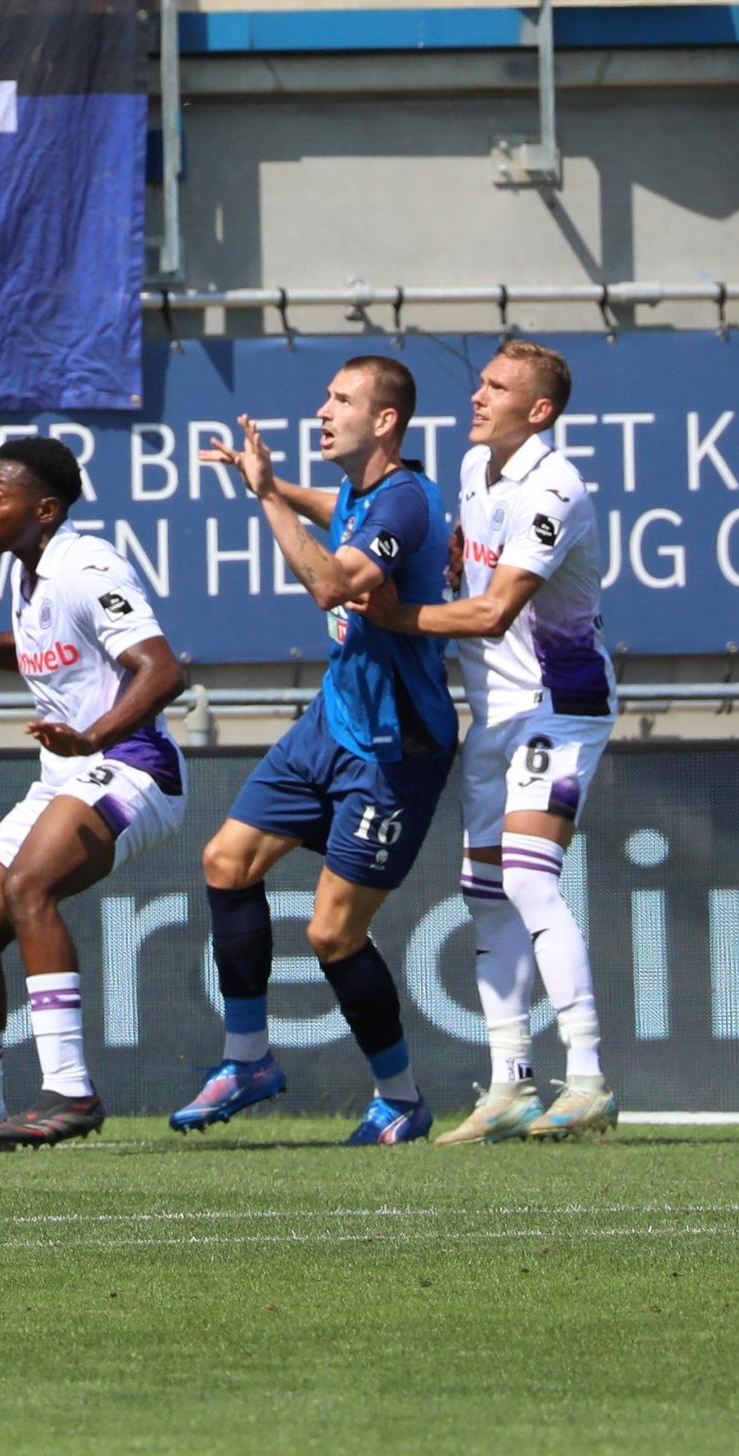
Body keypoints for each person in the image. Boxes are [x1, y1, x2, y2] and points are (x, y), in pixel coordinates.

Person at [167, 356, 456, 1148]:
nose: (322, 410)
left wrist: (266, 495)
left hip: (397, 745)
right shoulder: (366, 494)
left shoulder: (407, 498)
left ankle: (399, 1098)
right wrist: (270, 478)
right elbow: (336, 511)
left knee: (332, 935)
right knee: (227, 862)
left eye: (341, 400)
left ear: (386, 420)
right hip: (329, 724)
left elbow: (331, 583)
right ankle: (249, 1058)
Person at [0, 435, 187, 1156]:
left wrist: (92, 739)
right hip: (70, 772)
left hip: (133, 763)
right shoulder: (31, 572)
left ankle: (70, 1091)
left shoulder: (86, 566)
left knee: (30, 885)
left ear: (45, 509)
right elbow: (35, 648)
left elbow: (161, 670)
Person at [390, 344, 619, 1146]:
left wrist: (393, 617)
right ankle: (510, 1086)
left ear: (541, 410)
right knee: (485, 895)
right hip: (494, 710)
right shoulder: (474, 468)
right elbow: (469, 566)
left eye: (496, 387)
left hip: (558, 703)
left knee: (527, 882)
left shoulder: (556, 488)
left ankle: (586, 1077)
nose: (477, 396)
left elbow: (491, 613)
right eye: (481, 382)